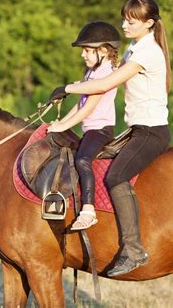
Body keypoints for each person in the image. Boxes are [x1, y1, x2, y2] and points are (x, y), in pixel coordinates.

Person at [50, 0, 172, 277]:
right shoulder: (133, 48)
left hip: (151, 131)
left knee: (115, 176)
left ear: (149, 23)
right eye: (124, 19)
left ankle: (133, 249)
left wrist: (67, 89)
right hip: (136, 129)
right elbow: (100, 78)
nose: (125, 26)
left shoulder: (147, 52)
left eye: (131, 21)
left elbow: (105, 83)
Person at [47, 21, 121, 231]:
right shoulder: (93, 72)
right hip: (91, 129)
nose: (83, 55)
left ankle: (88, 211)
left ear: (104, 51)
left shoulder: (105, 73)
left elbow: (87, 109)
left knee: (83, 160)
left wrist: (64, 127)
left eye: (88, 50)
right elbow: (80, 105)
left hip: (101, 130)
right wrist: (61, 123)